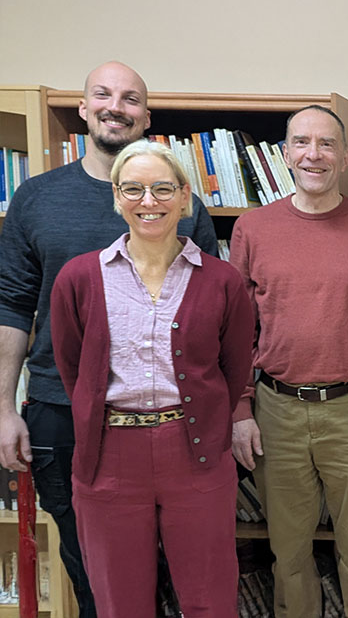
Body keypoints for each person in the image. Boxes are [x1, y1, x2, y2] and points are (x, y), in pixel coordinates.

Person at [0, 61, 217, 617]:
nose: (115, 106)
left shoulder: (185, 211)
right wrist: (4, 408)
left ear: (146, 115)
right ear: (83, 106)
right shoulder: (35, 199)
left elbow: (217, 326)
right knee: (100, 581)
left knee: (181, 575)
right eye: (103, 94)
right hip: (59, 410)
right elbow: (12, 307)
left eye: (130, 98)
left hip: (173, 421)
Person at [48, 140, 252, 616]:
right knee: (121, 602)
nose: (148, 201)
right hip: (110, 457)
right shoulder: (78, 278)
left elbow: (234, 367)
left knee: (210, 599)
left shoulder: (223, 281)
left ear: (184, 197)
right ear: (117, 198)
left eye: (162, 188)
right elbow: (73, 368)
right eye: (133, 189)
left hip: (196, 450)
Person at [229, 105, 348, 617]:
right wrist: (240, 411)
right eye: (303, 143)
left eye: (327, 144)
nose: (315, 154)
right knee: (288, 556)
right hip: (276, 410)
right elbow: (238, 331)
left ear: (345, 157)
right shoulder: (252, 229)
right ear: (285, 154)